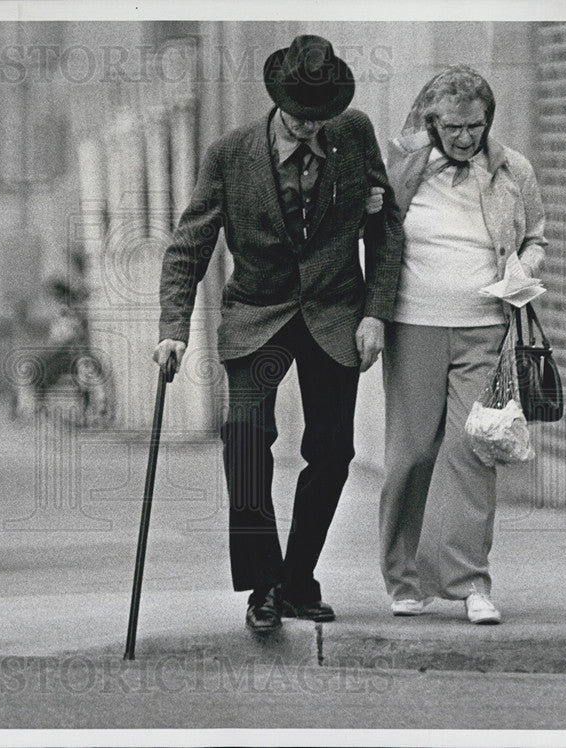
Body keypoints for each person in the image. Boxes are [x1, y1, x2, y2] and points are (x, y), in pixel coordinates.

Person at [155, 35, 404, 632]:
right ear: (278, 103)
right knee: (244, 435)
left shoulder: (353, 132)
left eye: (321, 119)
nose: (311, 130)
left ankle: (298, 579)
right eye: (300, 120)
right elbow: (190, 244)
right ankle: (263, 583)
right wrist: (172, 328)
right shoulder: (229, 154)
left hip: (335, 311)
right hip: (259, 314)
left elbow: (385, 228)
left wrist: (375, 312)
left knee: (331, 451)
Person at [378, 66, 547, 624]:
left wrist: (522, 270)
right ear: (431, 122)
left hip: (484, 326)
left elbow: (535, 236)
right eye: (452, 127)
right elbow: (373, 233)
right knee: (413, 452)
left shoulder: (510, 169)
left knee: (474, 448)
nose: (465, 137)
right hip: (413, 325)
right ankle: (403, 579)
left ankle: (470, 581)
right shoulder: (404, 168)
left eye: (475, 126)